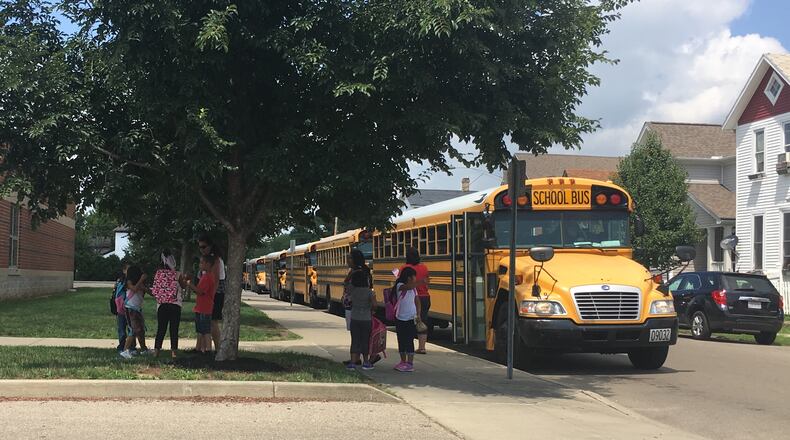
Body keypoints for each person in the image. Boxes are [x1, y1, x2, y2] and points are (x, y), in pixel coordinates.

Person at [152, 250, 185, 359]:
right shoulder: (177, 274)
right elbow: (183, 285)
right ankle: (174, 352)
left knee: (161, 328)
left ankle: (156, 351)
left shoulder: (158, 274)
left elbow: (155, 289)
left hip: (162, 305)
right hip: (175, 304)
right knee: (174, 329)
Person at [346, 250, 376, 370]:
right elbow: (374, 304)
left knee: (355, 338)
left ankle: (354, 361)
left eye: (349, 258)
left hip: (354, 315)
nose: (347, 261)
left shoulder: (355, 276)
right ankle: (366, 360)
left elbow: (347, 289)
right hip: (366, 317)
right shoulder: (368, 290)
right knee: (365, 339)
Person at [401, 247, 431, 354]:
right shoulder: (424, 268)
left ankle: (406, 346)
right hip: (424, 296)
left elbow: (401, 282)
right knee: (422, 321)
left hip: (411, 298)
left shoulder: (404, 268)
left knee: (407, 322)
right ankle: (422, 347)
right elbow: (428, 281)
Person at [391, 266, 421, 372]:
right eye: (414, 277)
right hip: (400, 317)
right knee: (401, 340)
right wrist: (421, 282)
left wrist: (418, 314)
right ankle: (403, 361)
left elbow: (417, 301)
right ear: (409, 278)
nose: (415, 278)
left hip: (411, 317)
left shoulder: (414, 289)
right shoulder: (400, 285)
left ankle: (410, 363)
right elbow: (406, 287)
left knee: (409, 340)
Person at [198, 234, 225, 352]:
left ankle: (218, 348)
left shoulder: (215, 260)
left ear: (210, 246)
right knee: (203, 320)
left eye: (204, 247)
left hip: (215, 293)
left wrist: (212, 297)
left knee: (213, 321)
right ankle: (200, 348)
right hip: (206, 294)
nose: (202, 250)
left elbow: (216, 280)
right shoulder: (206, 260)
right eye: (200, 247)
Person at [120, 265, 152, 359]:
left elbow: (149, 292)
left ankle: (144, 349)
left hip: (137, 309)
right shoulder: (128, 282)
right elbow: (133, 288)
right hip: (130, 308)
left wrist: (145, 287)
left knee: (141, 330)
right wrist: (141, 280)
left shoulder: (140, 284)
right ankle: (125, 351)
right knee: (133, 330)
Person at [187, 254, 217, 354]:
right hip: (200, 307)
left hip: (205, 308)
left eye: (201, 262)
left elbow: (200, 291)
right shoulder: (205, 276)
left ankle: (208, 349)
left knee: (205, 330)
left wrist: (190, 284)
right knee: (200, 330)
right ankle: (198, 348)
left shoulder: (208, 277)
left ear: (208, 264)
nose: (200, 265)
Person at [113, 263, 135, 353]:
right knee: (122, 329)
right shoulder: (121, 282)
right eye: (127, 270)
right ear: (124, 271)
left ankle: (131, 346)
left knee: (131, 328)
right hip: (122, 308)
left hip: (128, 308)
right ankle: (122, 346)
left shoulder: (129, 281)